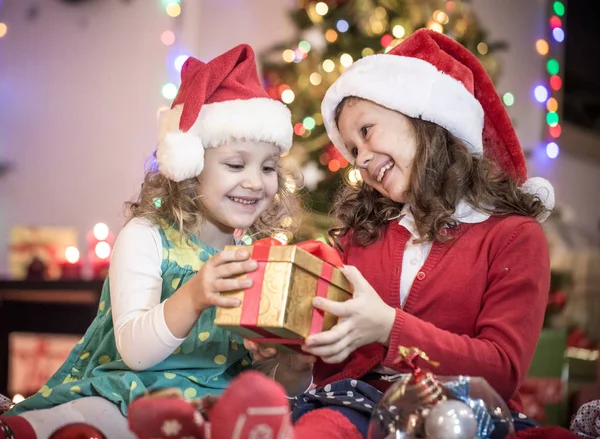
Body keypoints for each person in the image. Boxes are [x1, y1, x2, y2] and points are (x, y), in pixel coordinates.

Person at [201, 29, 555, 439]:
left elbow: (502, 371)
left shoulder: (514, 237)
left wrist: (388, 327)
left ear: (426, 117)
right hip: (356, 408)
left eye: (366, 131)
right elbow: (333, 370)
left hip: (467, 420)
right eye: (352, 151)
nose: (362, 161)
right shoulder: (361, 239)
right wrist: (296, 357)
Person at [0, 44, 311, 439]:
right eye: (236, 164)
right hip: (131, 394)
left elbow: (271, 381)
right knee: (91, 415)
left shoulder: (254, 259)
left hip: (216, 403)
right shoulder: (146, 237)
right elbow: (135, 351)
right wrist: (195, 295)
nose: (256, 181)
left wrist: (293, 362)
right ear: (190, 166)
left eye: (268, 167)